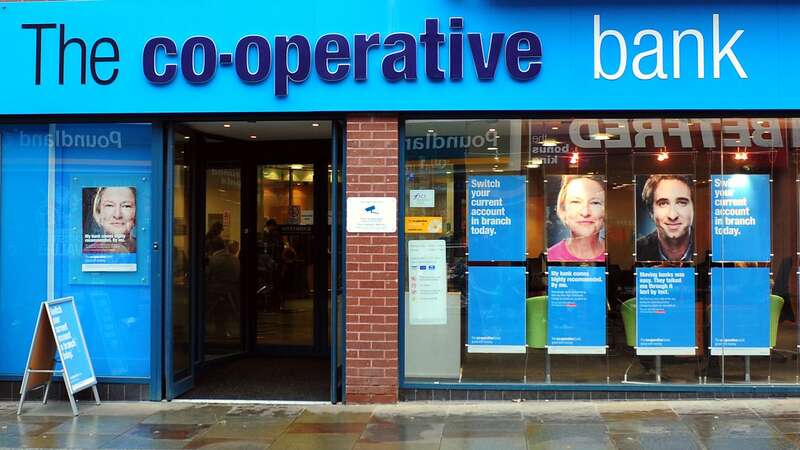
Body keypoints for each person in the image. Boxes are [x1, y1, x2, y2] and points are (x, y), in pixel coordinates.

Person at [636, 175, 694, 262]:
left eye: (682, 203)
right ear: (651, 211)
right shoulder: (637, 250)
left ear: (693, 208)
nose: (672, 216)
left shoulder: (711, 247)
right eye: (663, 204)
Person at [547, 175, 606, 262]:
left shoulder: (618, 256)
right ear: (563, 210)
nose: (585, 213)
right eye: (576, 202)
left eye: (595, 203)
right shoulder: (550, 257)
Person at [85, 186, 137, 253]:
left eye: (126, 206)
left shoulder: (146, 249)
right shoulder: (87, 254)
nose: (117, 215)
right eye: (109, 205)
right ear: (98, 211)